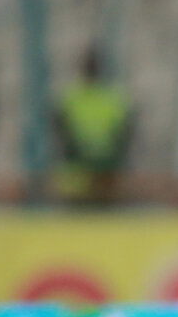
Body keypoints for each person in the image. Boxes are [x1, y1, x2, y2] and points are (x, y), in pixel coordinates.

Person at [54, 47, 132, 206]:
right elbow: (60, 129)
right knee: (78, 206)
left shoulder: (109, 98)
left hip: (105, 169)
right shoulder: (73, 97)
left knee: (100, 207)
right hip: (79, 170)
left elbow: (124, 131)